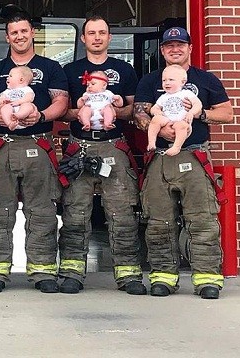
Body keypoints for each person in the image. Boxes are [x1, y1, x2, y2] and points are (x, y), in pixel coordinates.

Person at [133, 27, 233, 299]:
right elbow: (140, 112)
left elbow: (227, 113)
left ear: (190, 48)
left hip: (194, 154)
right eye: (168, 46)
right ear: (162, 50)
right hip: (160, 158)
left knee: (201, 219)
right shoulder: (151, 80)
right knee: (158, 221)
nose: (174, 49)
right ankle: (163, 277)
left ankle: (207, 279)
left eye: (180, 45)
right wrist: (159, 129)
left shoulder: (206, 79)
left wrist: (196, 118)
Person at [0, 11, 68, 294]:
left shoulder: (50, 67)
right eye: (14, 32)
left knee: (41, 210)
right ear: (7, 37)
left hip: (38, 143)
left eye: (24, 31)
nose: (19, 36)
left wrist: (40, 115)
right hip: (2, 144)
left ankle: (42, 271)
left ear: (32, 33)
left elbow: (61, 102)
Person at [58, 16, 145, 295]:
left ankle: (129, 274)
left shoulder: (125, 69)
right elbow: (62, 109)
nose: (97, 37)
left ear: (109, 37)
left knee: (122, 212)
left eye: (102, 33)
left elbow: (134, 109)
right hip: (79, 145)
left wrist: (107, 109)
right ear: (82, 38)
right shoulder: (70, 71)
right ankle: (72, 273)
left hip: (113, 146)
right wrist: (84, 112)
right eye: (91, 33)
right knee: (75, 211)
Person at [147, 65, 202, 156]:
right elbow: (154, 108)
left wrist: (191, 113)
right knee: (155, 120)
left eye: (171, 80)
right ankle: (152, 142)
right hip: (167, 121)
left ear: (182, 82)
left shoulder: (186, 93)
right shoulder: (164, 96)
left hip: (182, 122)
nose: (167, 83)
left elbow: (198, 104)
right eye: (164, 80)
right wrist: (157, 112)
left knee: (181, 125)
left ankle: (176, 147)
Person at [0, 65, 35, 131]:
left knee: (28, 105)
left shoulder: (27, 89)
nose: (7, 78)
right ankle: (10, 123)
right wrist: (3, 101)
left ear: (21, 80)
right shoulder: (7, 91)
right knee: (5, 108)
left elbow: (29, 98)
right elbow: (0, 100)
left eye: (10, 76)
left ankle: (19, 115)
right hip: (10, 114)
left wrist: (18, 102)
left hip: (23, 115)